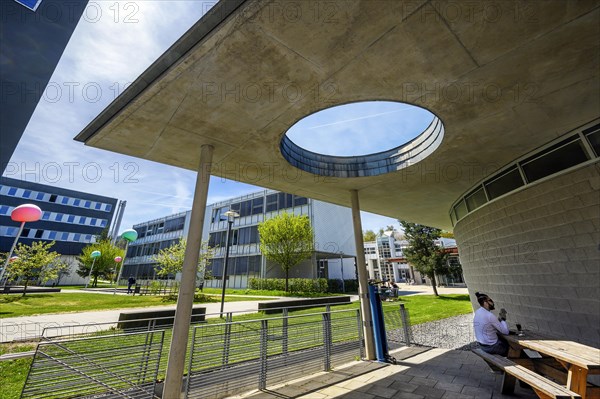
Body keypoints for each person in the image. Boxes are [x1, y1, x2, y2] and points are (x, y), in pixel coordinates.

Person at [473, 291, 509, 356]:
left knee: (504, 342)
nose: (492, 302)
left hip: (482, 345)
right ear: (485, 303)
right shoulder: (489, 315)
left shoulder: (478, 312)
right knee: (514, 350)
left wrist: (498, 320)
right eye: (490, 300)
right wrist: (503, 319)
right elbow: (505, 332)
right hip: (491, 347)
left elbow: (490, 325)